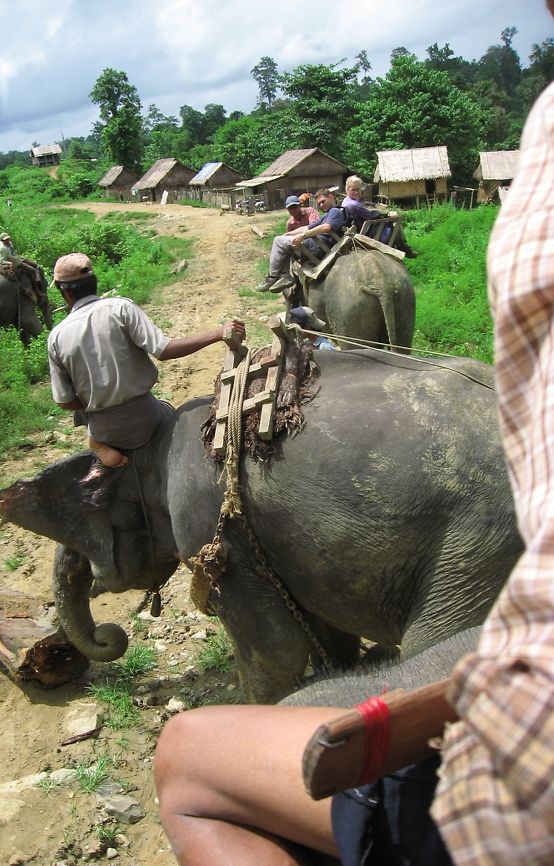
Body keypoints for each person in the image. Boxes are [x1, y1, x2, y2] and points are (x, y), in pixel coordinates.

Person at [153, 52, 554, 866]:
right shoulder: (376, 220)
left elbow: (289, 270)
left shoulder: (312, 230)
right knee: (385, 357)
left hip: (510, 784)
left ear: (332, 195)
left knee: (186, 760)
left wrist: (299, 253)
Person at [48, 252, 246, 469]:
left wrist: (97, 402)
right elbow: (164, 350)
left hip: (105, 429)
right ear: (94, 282)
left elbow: (64, 401)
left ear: (63, 292)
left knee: (93, 428)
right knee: (170, 413)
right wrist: (218, 333)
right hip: (145, 417)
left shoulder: (56, 336)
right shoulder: (120, 308)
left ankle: (97, 444)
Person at [256, 189, 349, 294]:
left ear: (331, 197)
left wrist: (303, 236)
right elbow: (306, 228)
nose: (322, 205)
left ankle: (273, 277)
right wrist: (287, 234)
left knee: (278, 241)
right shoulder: (326, 215)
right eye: (319, 204)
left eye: (323, 201)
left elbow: (326, 228)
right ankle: (285, 275)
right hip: (315, 243)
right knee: (281, 241)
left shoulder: (335, 211)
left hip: (317, 245)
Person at [342, 176, 418, 257]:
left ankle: (401, 246)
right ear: (347, 189)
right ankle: (403, 247)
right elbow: (372, 215)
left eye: (358, 189)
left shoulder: (346, 201)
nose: (356, 192)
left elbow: (365, 212)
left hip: (358, 229)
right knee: (395, 221)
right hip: (365, 233)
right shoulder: (353, 205)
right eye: (353, 190)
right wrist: (388, 215)